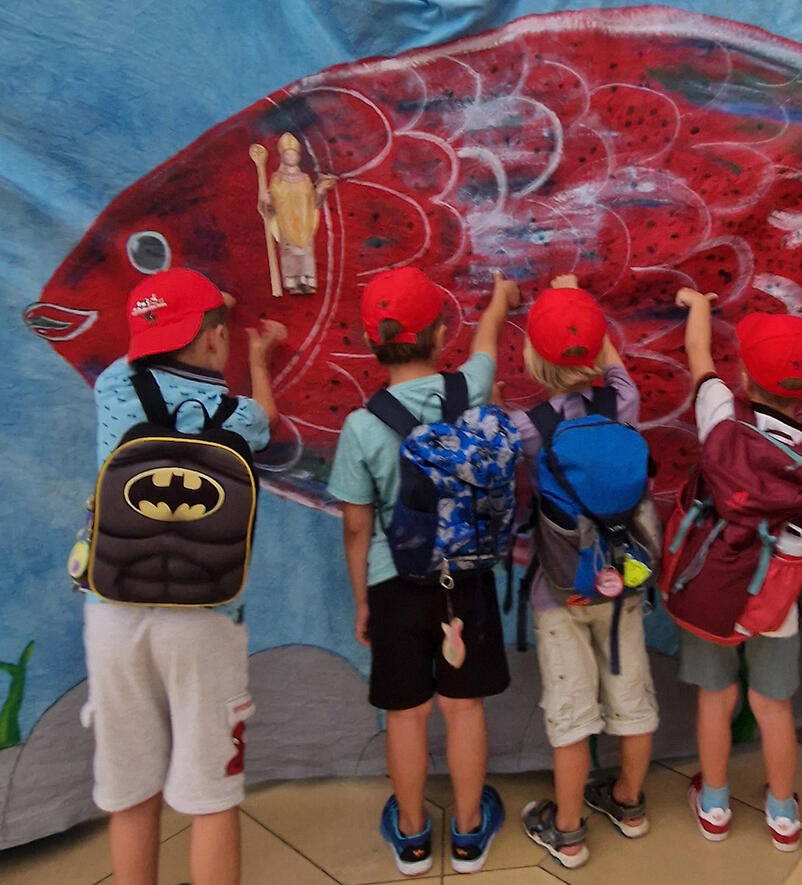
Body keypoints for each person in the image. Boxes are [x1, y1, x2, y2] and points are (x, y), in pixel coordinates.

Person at [87, 267, 286, 885]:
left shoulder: (113, 387)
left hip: (114, 610)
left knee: (129, 789)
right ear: (214, 341)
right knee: (210, 798)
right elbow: (268, 419)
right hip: (206, 618)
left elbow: (148, 348)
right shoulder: (237, 415)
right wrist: (258, 355)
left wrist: (204, 311)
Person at [327, 266, 518, 876]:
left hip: (395, 583)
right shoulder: (471, 388)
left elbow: (357, 527)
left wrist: (362, 600)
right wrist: (498, 305)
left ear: (372, 343)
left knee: (405, 713)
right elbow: (488, 346)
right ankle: (467, 833)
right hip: (469, 576)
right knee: (464, 709)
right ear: (440, 335)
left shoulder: (362, 426)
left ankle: (411, 835)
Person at [674, 286, 802, 851]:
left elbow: (698, 355)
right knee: (774, 706)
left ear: (744, 373)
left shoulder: (719, 411)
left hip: (712, 582)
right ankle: (782, 814)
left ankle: (715, 803)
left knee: (715, 698)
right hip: (776, 596)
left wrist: (700, 305)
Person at [511, 276, 659, 870]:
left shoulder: (528, 429)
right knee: (632, 695)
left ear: (533, 359)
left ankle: (567, 830)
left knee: (570, 712)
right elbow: (616, 366)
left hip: (559, 590)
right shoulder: (623, 402)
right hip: (624, 583)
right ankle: (628, 803)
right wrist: (582, 308)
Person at [259, 131, 337, 293]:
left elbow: (313, 201)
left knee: (306, 252)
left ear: (298, 157)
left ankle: (306, 280)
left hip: (304, 220)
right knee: (289, 253)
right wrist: (267, 200)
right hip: (285, 221)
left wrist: (321, 188)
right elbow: (271, 205)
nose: (291, 158)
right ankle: (291, 282)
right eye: (287, 155)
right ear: (282, 157)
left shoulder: (305, 178)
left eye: (293, 154)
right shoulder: (277, 178)